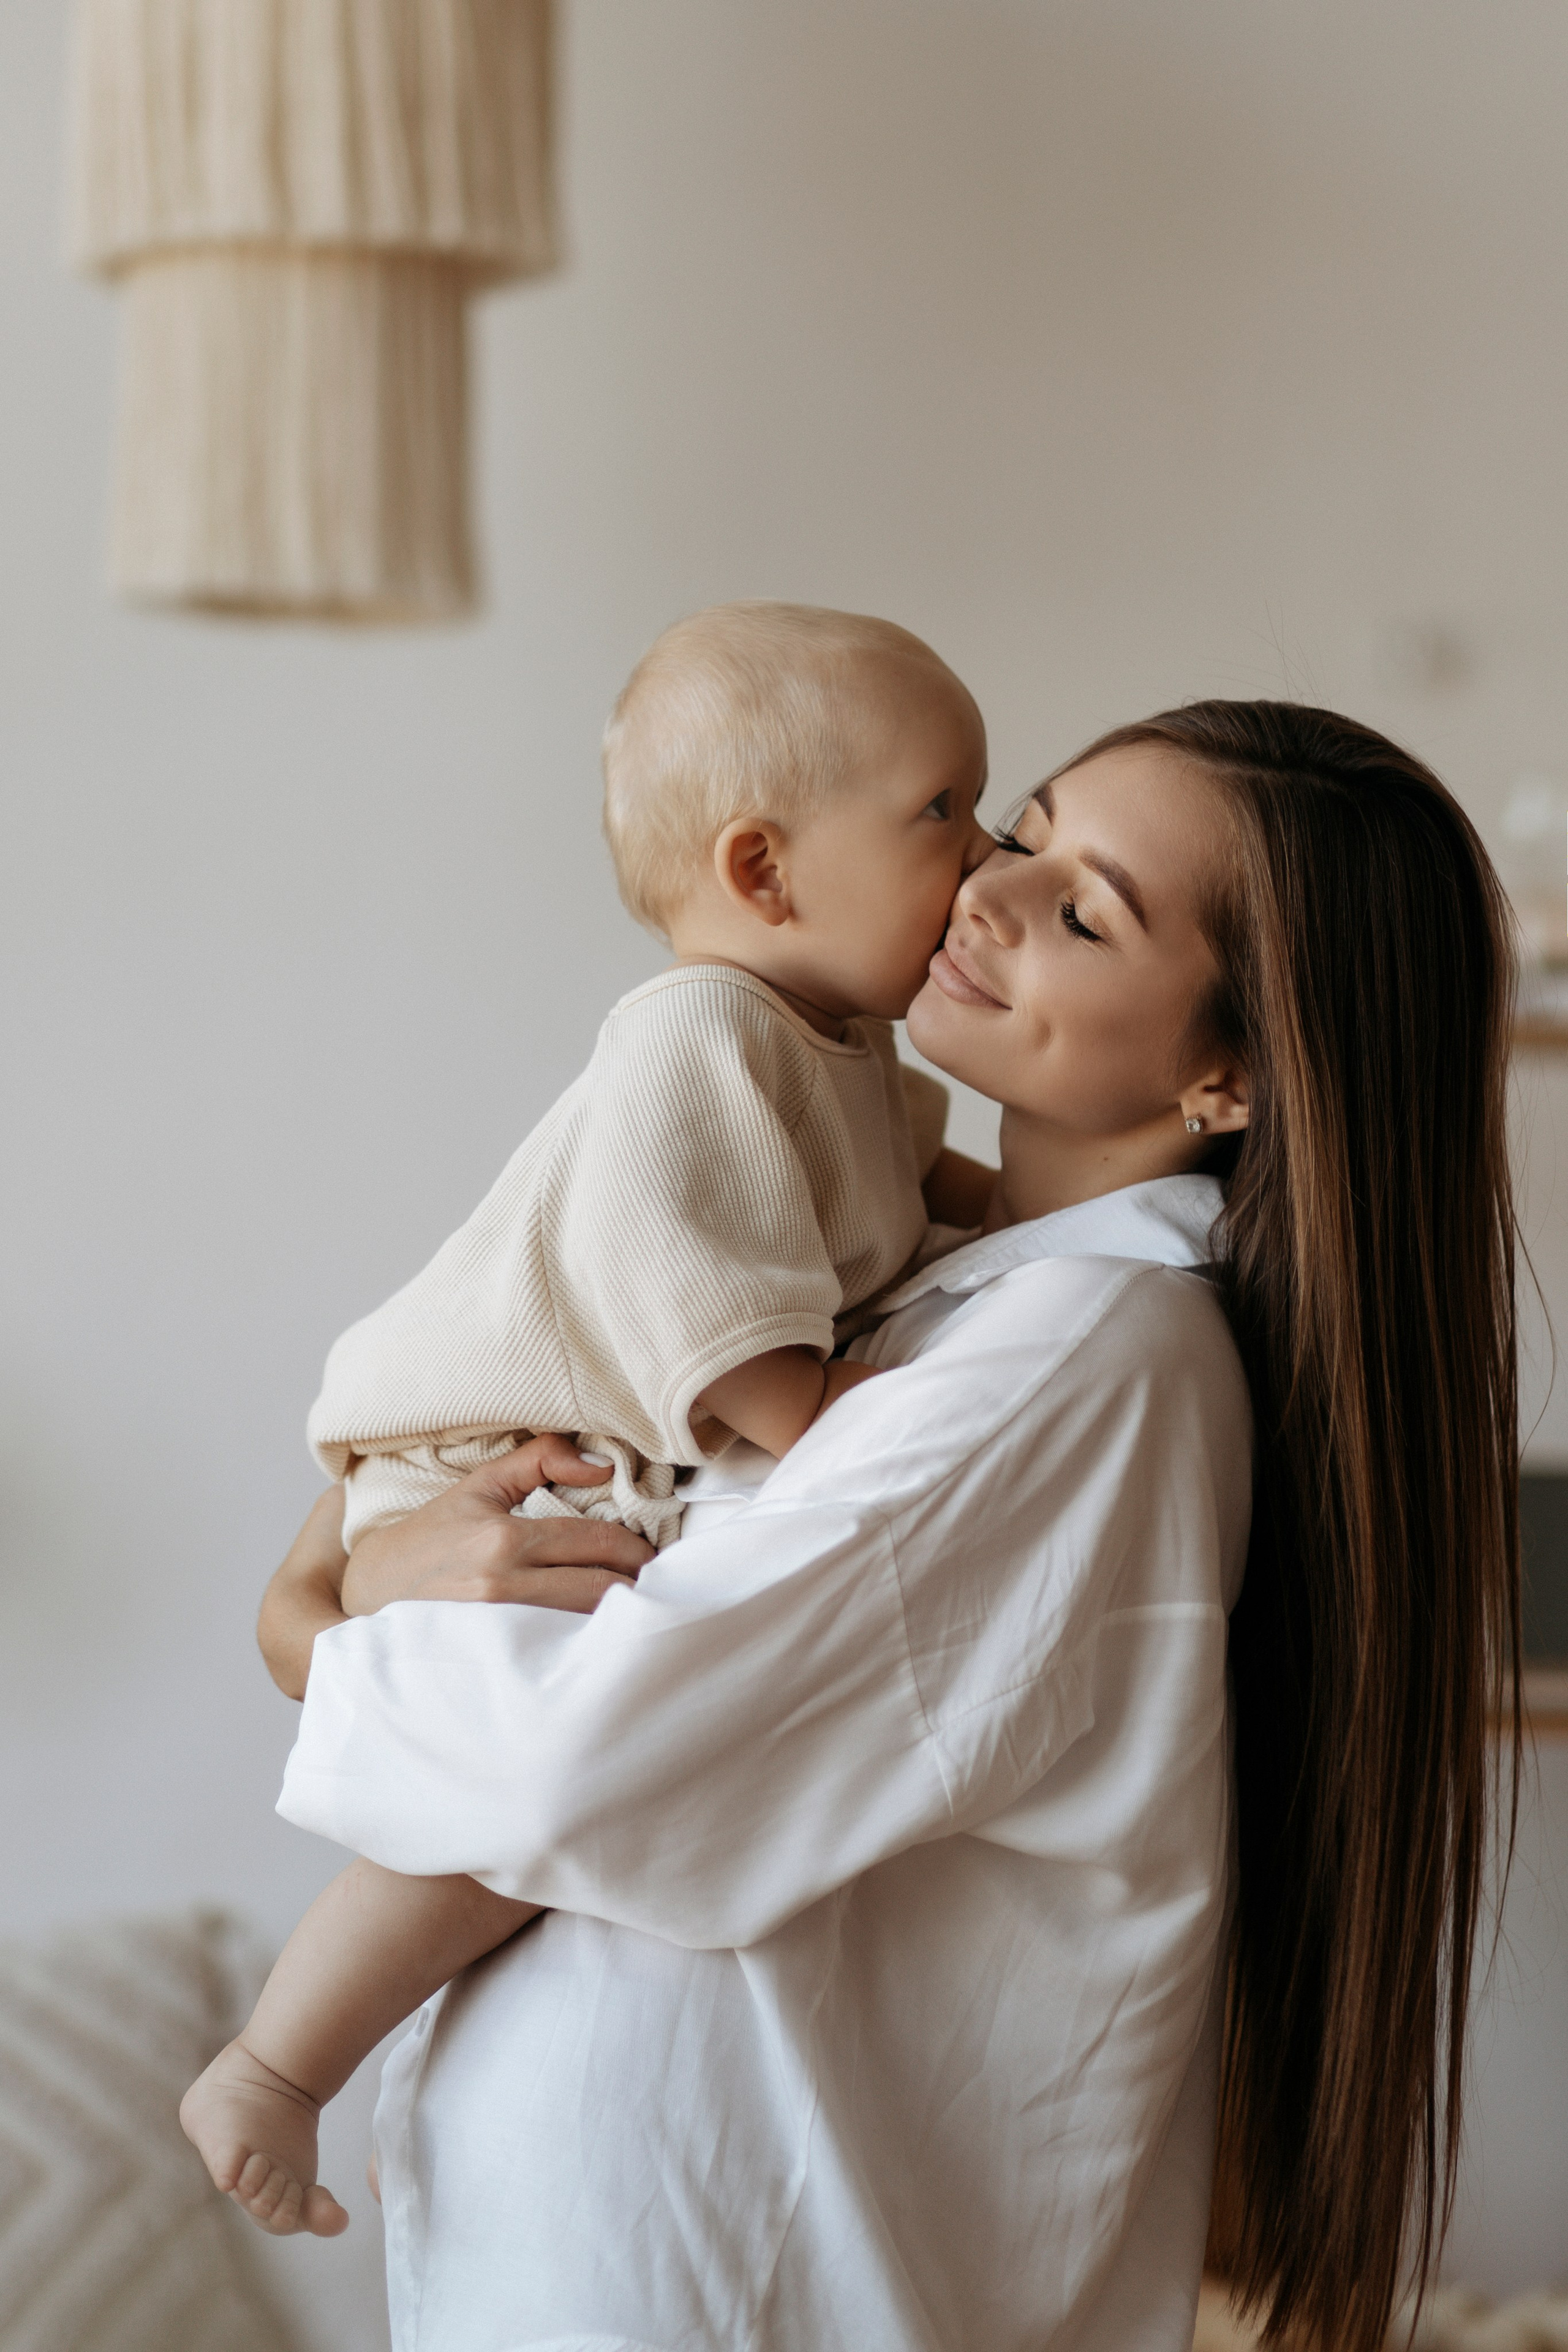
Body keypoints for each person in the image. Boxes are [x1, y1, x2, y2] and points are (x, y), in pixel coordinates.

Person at [262, 702, 1520, 2352]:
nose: (988, 893)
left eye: (1086, 913)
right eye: (1023, 833)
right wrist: (354, 1573)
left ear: (1229, 1079)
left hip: (720, 2289)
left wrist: (317, 1630)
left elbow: (598, 1754)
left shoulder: (1081, 1354)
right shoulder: (915, 1283)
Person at [181, 601, 998, 2234]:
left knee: (563, 1785)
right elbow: (676, 1270)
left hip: (576, 1452)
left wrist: (1058, 1223)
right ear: (763, 872)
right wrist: (814, 1407)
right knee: (529, 1780)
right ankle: (277, 2061)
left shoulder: (843, 1046)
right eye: (943, 811)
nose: (981, 859)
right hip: (493, 1448)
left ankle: (365, 2069)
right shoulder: (698, 1035)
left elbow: (939, 1195)